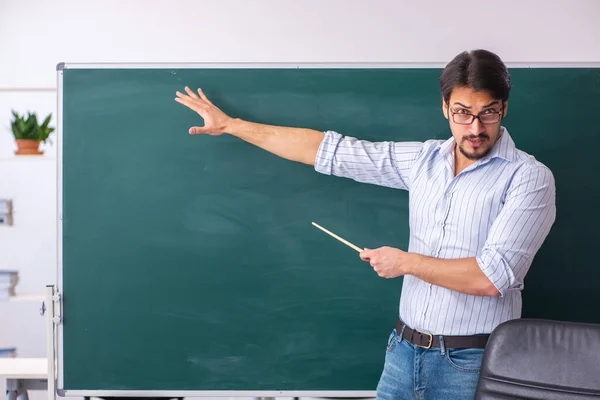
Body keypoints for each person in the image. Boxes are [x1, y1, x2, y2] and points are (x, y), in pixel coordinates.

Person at [174, 49, 556, 400]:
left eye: (487, 112)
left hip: (472, 363)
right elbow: (328, 150)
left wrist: (405, 263)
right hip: (403, 352)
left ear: (503, 109)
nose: (474, 128)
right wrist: (232, 126)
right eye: (462, 112)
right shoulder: (424, 161)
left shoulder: (528, 177)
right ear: (444, 108)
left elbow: (491, 278)